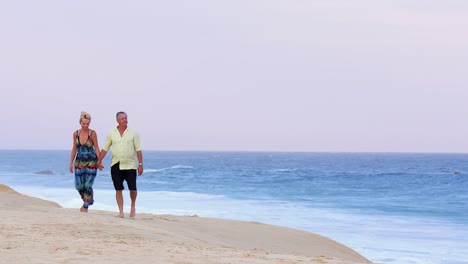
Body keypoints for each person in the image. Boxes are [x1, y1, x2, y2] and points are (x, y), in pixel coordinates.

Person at [97, 111, 143, 218]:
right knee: (118, 189)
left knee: (133, 188)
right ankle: (121, 212)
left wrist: (140, 164)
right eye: (122, 118)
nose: (125, 120)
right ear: (117, 120)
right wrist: (99, 161)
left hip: (130, 164)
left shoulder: (133, 133)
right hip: (116, 164)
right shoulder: (111, 133)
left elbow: (138, 149)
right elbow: (105, 148)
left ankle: (132, 206)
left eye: (126, 118)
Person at [69, 111, 100, 213]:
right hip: (79, 162)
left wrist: (99, 161)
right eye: (84, 123)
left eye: (88, 123)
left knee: (87, 185)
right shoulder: (75, 134)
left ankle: (85, 206)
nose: (86, 125)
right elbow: (74, 148)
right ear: (80, 123)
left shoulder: (93, 133)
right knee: (79, 186)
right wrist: (71, 163)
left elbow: (96, 147)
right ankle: (89, 199)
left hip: (91, 162)